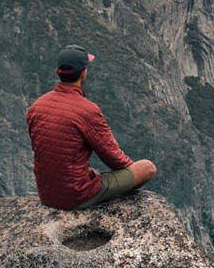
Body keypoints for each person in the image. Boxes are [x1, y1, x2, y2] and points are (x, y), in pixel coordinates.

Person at [26, 44, 156, 210]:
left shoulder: (36, 107)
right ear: (83, 73)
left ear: (58, 72)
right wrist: (131, 173)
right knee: (147, 167)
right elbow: (114, 159)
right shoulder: (88, 110)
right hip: (76, 196)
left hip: (46, 194)